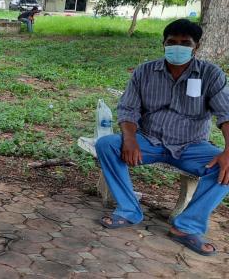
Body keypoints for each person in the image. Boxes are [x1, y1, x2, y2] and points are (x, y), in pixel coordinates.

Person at [95, 19, 229, 257]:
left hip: (192, 145)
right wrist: (130, 139)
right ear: (163, 44)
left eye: (185, 43)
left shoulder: (211, 74)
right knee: (106, 145)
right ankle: (129, 210)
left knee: (226, 168)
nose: (177, 47)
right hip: (149, 141)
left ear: (196, 46)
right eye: (172, 42)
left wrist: (228, 152)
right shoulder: (144, 71)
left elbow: (225, 114)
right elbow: (128, 109)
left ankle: (187, 227)